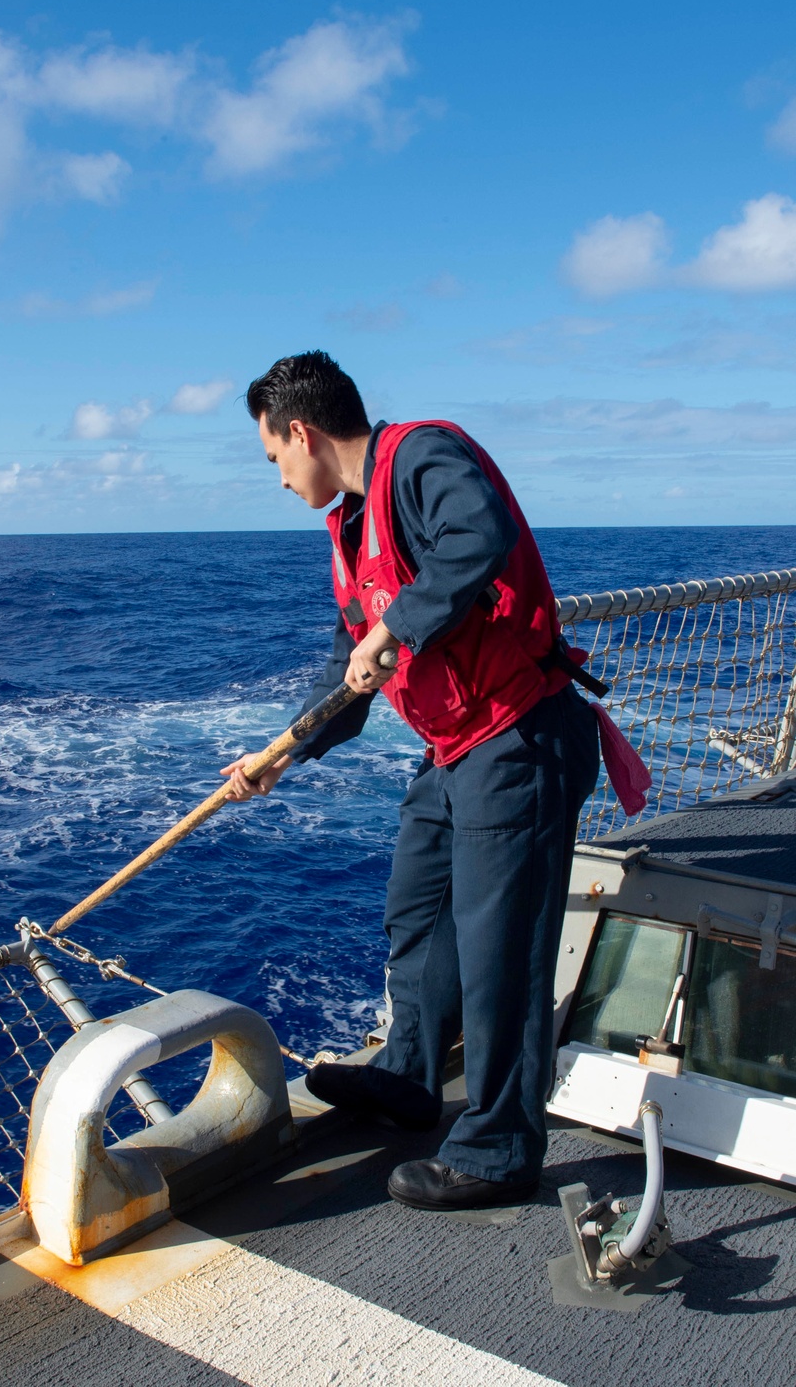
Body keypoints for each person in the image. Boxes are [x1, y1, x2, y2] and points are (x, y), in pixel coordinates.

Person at [221, 351, 600, 1212]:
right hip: (455, 748)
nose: (278, 480)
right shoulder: (352, 529)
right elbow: (350, 672)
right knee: (418, 907)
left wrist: (396, 624)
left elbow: (479, 535)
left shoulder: (422, 457)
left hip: (518, 736)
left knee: (502, 947)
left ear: (303, 433)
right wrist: (281, 754)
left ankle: (501, 1146)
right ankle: (411, 1075)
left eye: (274, 457)